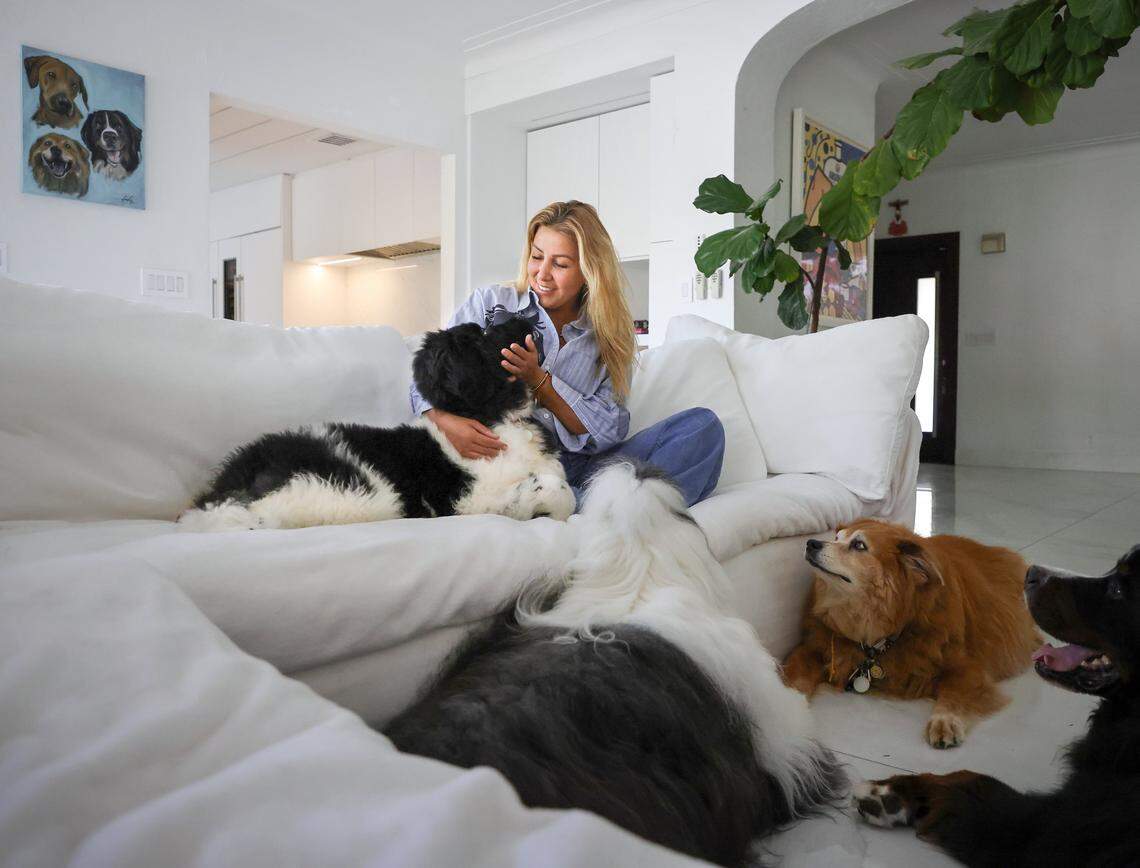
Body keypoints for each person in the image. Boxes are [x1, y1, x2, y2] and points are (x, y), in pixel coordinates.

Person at [409, 200, 724, 508]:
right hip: (505, 464)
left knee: (701, 427)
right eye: (536, 257)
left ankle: (584, 505)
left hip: (580, 466)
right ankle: (617, 507)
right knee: (643, 485)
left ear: (589, 271)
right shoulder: (490, 302)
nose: (542, 274)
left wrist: (539, 381)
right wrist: (443, 419)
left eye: (560, 264)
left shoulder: (608, 334)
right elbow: (428, 373)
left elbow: (608, 430)